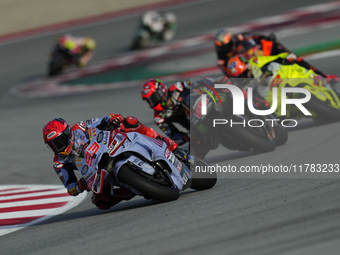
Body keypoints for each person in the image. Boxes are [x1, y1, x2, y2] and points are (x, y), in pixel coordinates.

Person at [42, 114, 178, 209]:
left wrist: (113, 119)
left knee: (130, 122)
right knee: (101, 202)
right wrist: (79, 186)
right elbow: (70, 187)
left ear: (67, 133)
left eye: (58, 141)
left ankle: (163, 141)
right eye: (53, 144)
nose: (58, 147)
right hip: (95, 171)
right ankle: (138, 189)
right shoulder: (59, 161)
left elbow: (102, 120)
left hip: (106, 146)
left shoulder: (80, 127)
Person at [226, 53, 339, 118]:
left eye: (243, 73)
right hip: (276, 100)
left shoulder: (256, 62)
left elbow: (277, 58)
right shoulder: (240, 85)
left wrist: (286, 57)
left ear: (247, 66)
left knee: (296, 66)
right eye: (238, 76)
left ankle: (323, 78)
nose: (242, 77)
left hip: (282, 79)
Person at [214, 28, 338, 83]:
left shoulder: (241, 39)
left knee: (292, 57)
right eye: (221, 47)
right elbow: (229, 74)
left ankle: (321, 76)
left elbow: (256, 41)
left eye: (226, 45)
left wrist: (267, 40)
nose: (224, 49)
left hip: (268, 54)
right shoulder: (223, 59)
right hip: (253, 70)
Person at [141, 78, 190, 146]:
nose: (153, 102)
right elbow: (174, 137)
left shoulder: (178, 87)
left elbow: (201, 83)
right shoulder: (159, 117)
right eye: (149, 101)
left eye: (154, 97)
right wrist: (187, 137)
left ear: (161, 90)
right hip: (194, 129)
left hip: (204, 109)